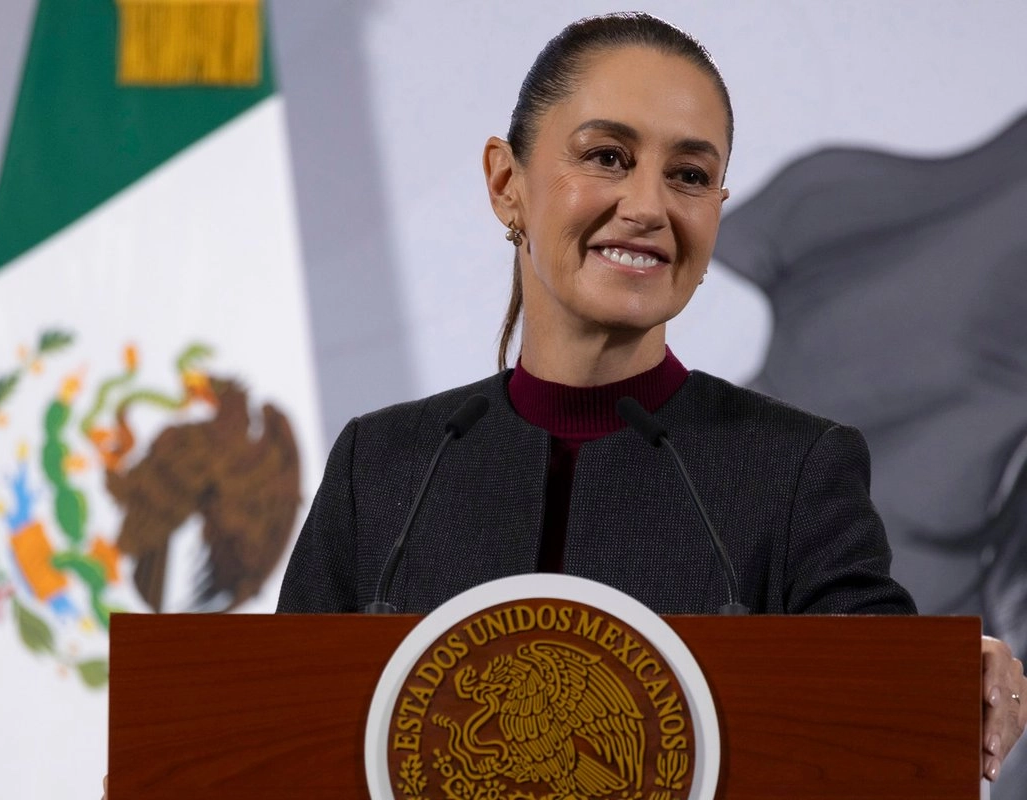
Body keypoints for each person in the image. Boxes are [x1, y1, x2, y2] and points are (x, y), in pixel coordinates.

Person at [273, 12, 1026, 784]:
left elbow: (874, 695)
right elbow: (268, 729)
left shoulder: (796, 468)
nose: (647, 205)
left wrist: (947, 675)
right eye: (607, 156)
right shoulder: (387, 467)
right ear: (507, 183)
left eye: (690, 176)